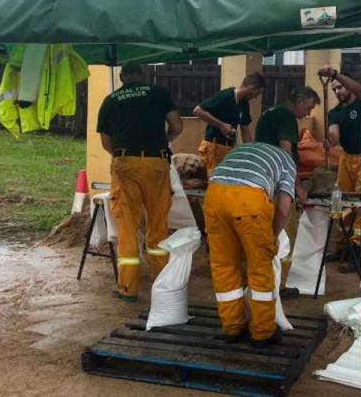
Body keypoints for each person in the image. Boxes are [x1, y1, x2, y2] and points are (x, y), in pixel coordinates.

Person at [97, 63, 183, 301]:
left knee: (127, 227)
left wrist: (122, 158)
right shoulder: (159, 94)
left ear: (122, 77)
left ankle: (128, 287)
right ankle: (162, 283)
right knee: (158, 225)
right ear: (144, 75)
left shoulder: (111, 100)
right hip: (156, 162)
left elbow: (106, 142)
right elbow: (177, 126)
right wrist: (164, 142)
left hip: (126, 164)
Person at [204, 142, 297, 346]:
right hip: (248, 200)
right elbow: (283, 209)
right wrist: (271, 237)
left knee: (224, 265)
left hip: (214, 195)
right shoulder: (289, 162)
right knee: (259, 266)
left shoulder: (243, 149)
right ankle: (263, 332)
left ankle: (232, 327)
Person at [318, 65, 361, 270]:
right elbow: (334, 133)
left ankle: (358, 250)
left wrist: (335, 75)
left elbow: (360, 89)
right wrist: (331, 140)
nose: (337, 92)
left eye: (340, 87)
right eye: (334, 89)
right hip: (347, 157)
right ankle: (341, 245)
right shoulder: (336, 111)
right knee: (340, 200)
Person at [254, 85, 319, 205]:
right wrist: (297, 186)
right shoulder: (287, 117)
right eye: (309, 108)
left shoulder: (272, 111)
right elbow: (286, 154)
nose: (309, 112)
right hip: (275, 176)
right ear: (299, 102)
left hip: (261, 173)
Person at [193, 72, 265, 176]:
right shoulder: (225, 96)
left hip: (228, 149)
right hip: (214, 146)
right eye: (257, 93)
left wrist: (251, 152)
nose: (256, 97)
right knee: (215, 184)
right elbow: (197, 110)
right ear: (252, 88)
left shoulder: (244, 104)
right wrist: (221, 125)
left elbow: (245, 129)